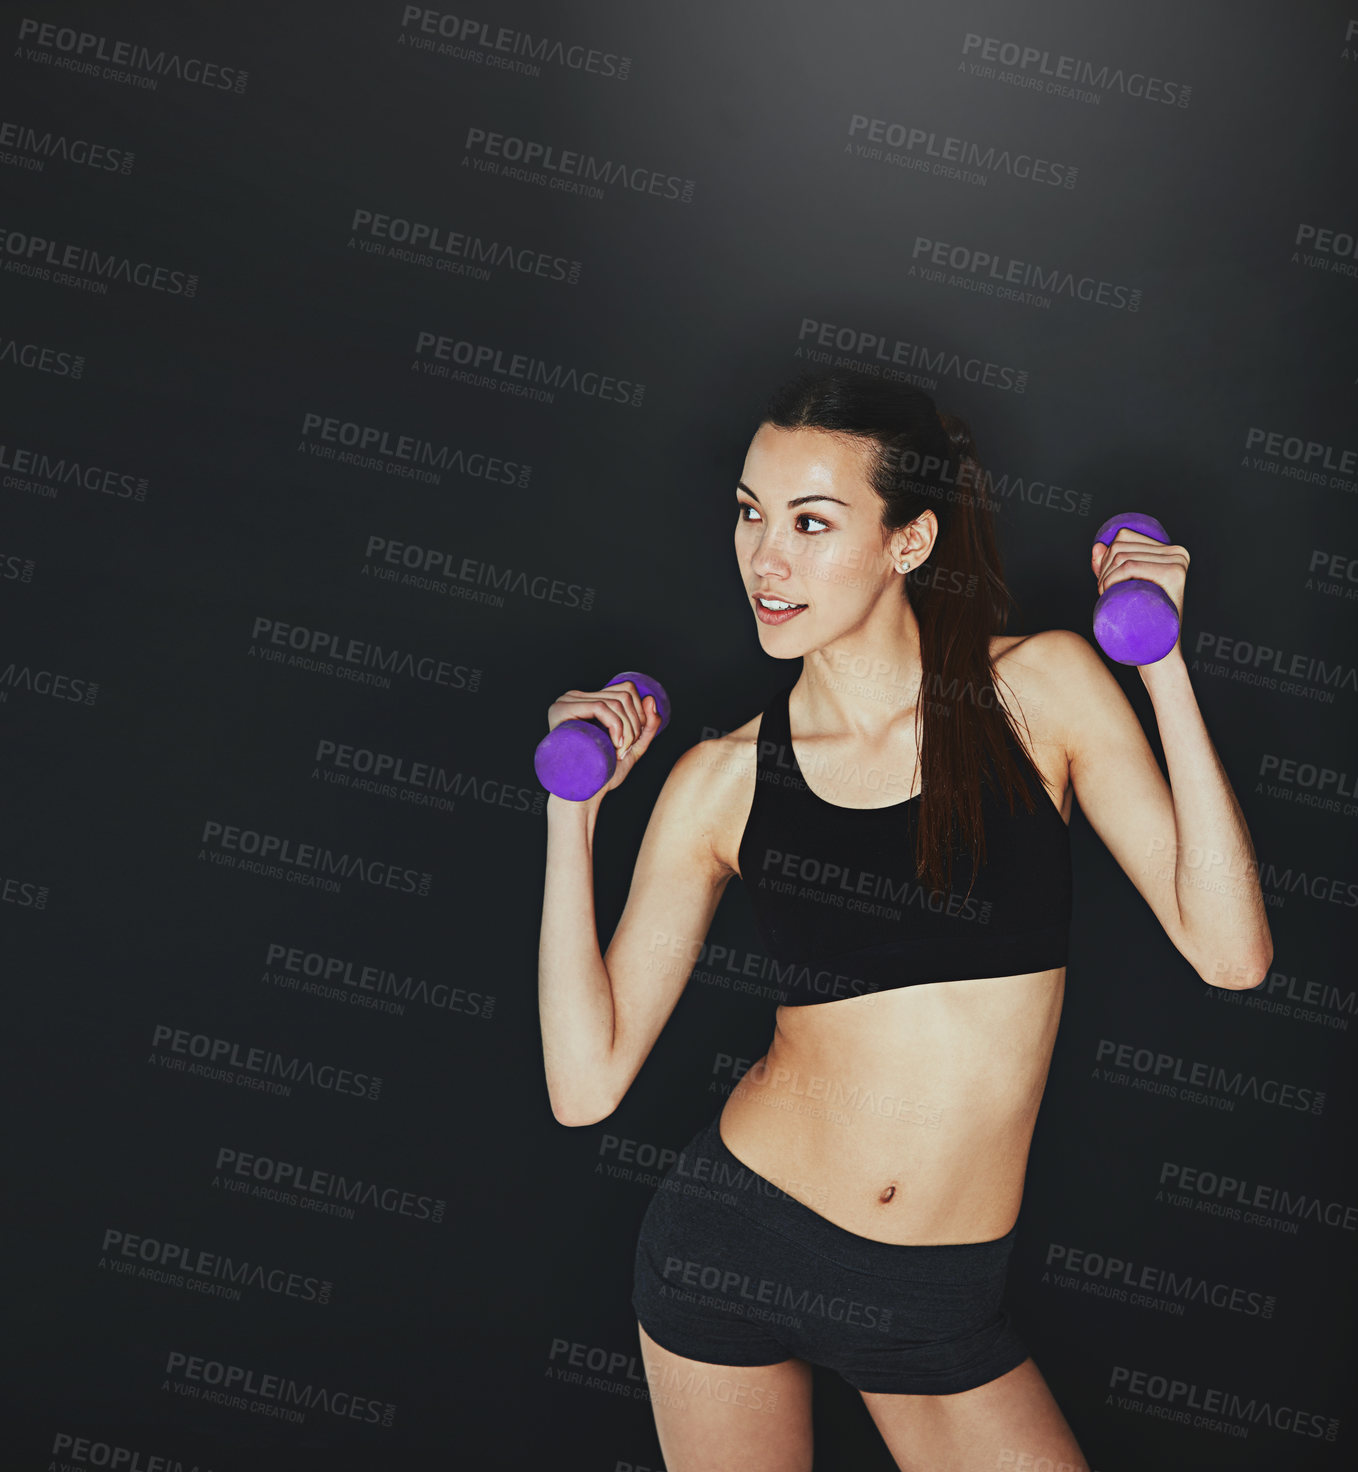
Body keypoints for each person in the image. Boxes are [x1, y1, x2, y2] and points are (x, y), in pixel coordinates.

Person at [537, 366, 1272, 1472]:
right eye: (749, 513)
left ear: (909, 540)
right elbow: (582, 1084)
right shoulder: (722, 778)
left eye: (811, 521)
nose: (765, 558)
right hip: (733, 1246)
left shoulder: (1041, 693)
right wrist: (569, 811)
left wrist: (1161, 662)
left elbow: (1229, 953)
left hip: (932, 1300)